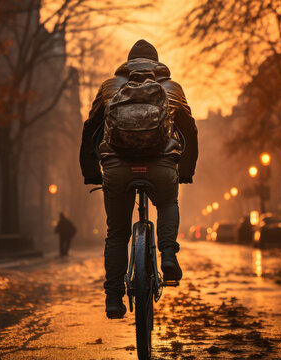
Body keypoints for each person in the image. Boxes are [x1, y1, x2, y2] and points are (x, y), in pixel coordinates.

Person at [80, 39, 198, 319]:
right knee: (168, 204)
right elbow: (190, 131)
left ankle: (113, 298)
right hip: (160, 166)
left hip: (117, 168)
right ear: (158, 64)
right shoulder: (173, 89)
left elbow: (90, 129)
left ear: (127, 63)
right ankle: (168, 254)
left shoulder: (109, 88)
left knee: (117, 233)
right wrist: (186, 170)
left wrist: (91, 172)